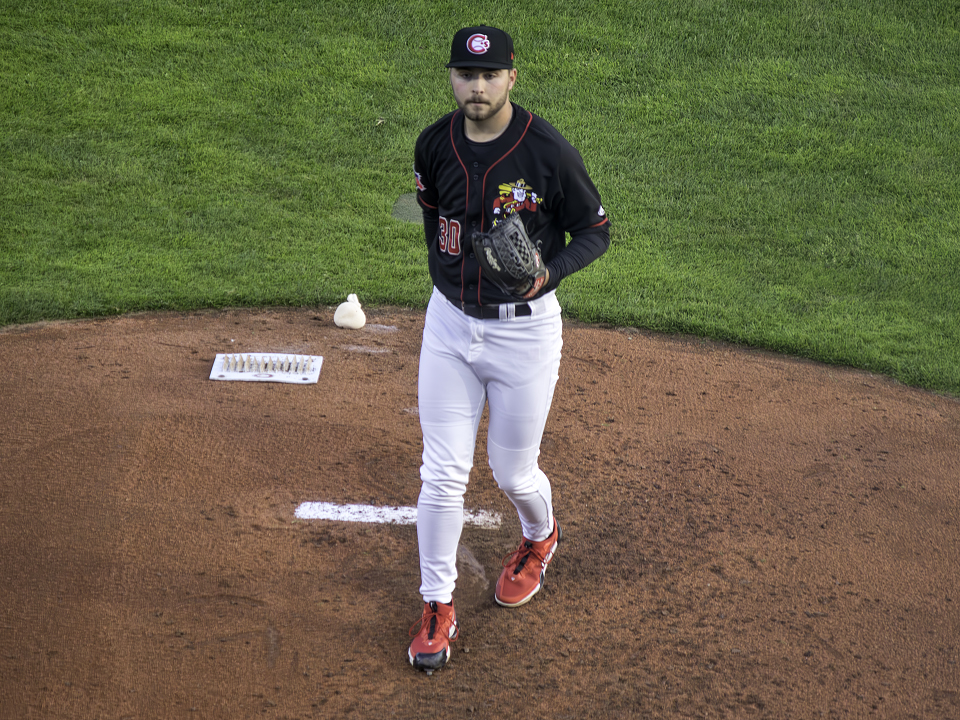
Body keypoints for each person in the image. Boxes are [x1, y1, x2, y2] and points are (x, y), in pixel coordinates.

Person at [408, 25, 610, 674]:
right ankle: (437, 605)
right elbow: (435, 213)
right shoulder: (434, 143)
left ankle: (539, 536)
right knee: (442, 475)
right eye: (467, 75)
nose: (477, 86)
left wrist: (547, 273)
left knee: (513, 473)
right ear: (451, 78)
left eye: (491, 75)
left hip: (523, 333)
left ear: (511, 79)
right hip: (448, 327)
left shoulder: (548, 151)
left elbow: (595, 231)